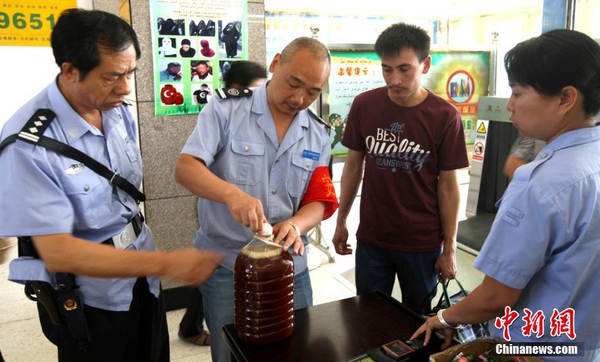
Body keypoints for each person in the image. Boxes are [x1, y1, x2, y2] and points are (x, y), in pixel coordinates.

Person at [0, 9, 223, 362]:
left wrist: (153, 266)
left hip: (142, 275)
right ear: (70, 70)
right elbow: (59, 252)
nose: (126, 87)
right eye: (112, 76)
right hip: (92, 299)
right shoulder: (28, 145)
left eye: (131, 72)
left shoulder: (114, 108)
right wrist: (166, 265)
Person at [411, 29, 600, 361]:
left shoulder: (540, 183)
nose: (509, 105)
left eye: (517, 92)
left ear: (566, 98)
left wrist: (442, 318)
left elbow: (495, 298)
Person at [174, 37, 338, 362]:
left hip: (290, 264)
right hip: (228, 265)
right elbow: (186, 168)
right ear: (276, 64)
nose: (299, 98)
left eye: (313, 92)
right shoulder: (226, 109)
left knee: (295, 350)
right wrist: (231, 194)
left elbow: (320, 198)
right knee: (230, 354)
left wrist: (295, 223)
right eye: (294, 84)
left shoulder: (318, 133)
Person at [331, 23, 469, 316]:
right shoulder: (364, 105)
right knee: (367, 316)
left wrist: (450, 249)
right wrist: (341, 220)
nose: (395, 79)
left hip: (422, 243)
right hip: (372, 237)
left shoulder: (444, 116)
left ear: (425, 64)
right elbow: (353, 167)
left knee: (417, 320)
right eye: (387, 69)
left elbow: (448, 186)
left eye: (405, 69)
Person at [178, 64, 267, 347]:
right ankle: (190, 325)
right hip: (224, 246)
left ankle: (189, 324)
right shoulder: (220, 112)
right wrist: (232, 195)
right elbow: (186, 169)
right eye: (257, 89)